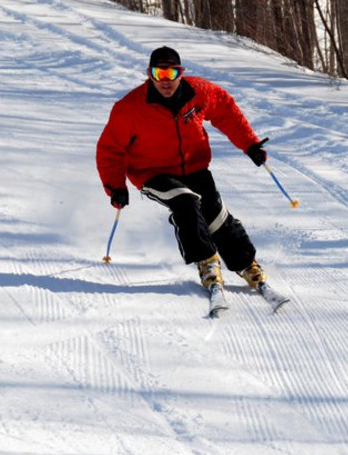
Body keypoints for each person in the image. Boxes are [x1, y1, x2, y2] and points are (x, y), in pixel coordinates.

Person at [96, 46, 271, 292]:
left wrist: (250, 144)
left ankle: (246, 264)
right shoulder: (130, 108)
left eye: (171, 74)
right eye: (159, 74)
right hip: (152, 173)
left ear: (181, 73)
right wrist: (115, 186)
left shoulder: (198, 91)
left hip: (195, 167)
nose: (165, 81)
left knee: (215, 214)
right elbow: (109, 150)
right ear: (149, 74)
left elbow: (226, 111)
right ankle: (207, 262)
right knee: (185, 202)